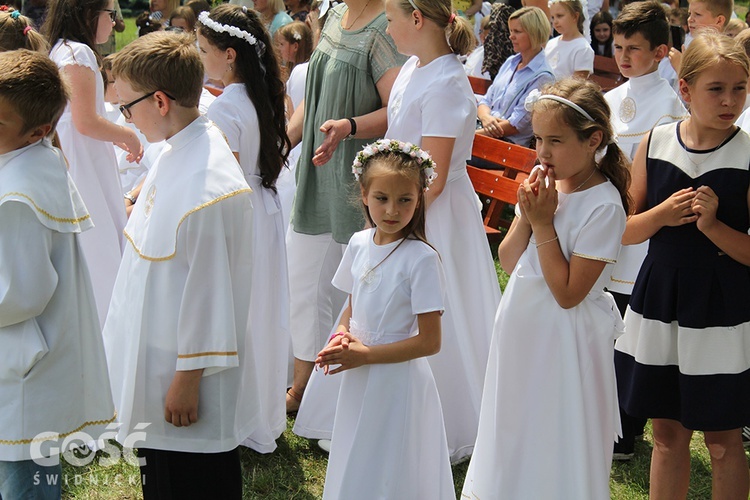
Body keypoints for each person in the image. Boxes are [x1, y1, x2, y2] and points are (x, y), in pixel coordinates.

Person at [103, 31, 258, 499]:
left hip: (183, 378)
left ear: (162, 101)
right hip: (155, 355)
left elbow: (211, 294)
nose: (125, 116)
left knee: (192, 481)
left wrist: (187, 381)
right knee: (161, 473)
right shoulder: (177, 146)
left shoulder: (208, 189)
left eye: (127, 107)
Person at [462, 78, 631, 499]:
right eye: (538, 138)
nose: (541, 152)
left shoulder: (604, 205)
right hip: (522, 325)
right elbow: (507, 258)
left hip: (564, 340)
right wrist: (526, 212)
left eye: (555, 140)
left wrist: (542, 222)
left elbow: (569, 294)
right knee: (515, 423)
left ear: (593, 140)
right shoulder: (549, 185)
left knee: (555, 432)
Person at [614, 31, 750, 499]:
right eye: (716, 88)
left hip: (722, 311)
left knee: (724, 441)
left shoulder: (748, 153)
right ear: (686, 90)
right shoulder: (654, 142)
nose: (730, 100)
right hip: (661, 302)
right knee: (668, 437)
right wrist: (661, 215)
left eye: (740, 88)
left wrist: (713, 228)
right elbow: (624, 230)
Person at [382, 0, 501, 462]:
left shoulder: (449, 81)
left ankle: (448, 420)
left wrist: (400, 224)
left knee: (442, 309)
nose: (387, 27)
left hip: (434, 212)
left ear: (417, 19)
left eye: (392, 18)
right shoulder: (414, 66)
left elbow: (433, 169)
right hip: (401, 201)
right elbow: (396, 125)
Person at [0, 49, 115, 500]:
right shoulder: (35, 157)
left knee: (22, 477)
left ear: (39, 130)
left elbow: (19, 292)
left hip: (24, 360)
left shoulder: (19, 198)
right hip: (28, 356)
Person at [284, 0, 405, 414]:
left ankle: (328, 391)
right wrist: (283, 141)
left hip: (354, 180)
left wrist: (349, 126)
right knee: (301, 284)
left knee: (348, 292)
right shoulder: (333, 15)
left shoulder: (385, 28)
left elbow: (397, 109)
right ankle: (305, 382)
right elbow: (315, 94)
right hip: (316, 173)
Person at [316, 140, 453, 500]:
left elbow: (430, 341)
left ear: (419, 198)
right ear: (364, 194)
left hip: (397, 378)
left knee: (391, 460)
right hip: (359, 371)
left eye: (405, 200)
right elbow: (352, 305)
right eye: (381, 198)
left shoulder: (422, 259)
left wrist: (366, 355)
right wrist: (342, 335)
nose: (392, 210)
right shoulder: (359, 243)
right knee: (358, 446)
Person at [197, 4, 291, 455]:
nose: (199, 58)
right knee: (263, 311)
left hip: (243, 214)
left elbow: (224, 180)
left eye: (203, 49)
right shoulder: (258, 97)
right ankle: (262, 413)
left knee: (242, 314)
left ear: (229, 55)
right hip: (265, 208)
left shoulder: (225, 109)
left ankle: (242, 414)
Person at [604, 0, 688, 461]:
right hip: (606, 229)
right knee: (604, 326)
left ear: (661, 51)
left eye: (633, 48)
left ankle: (627, 428)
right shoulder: (611, 101)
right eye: (617, 47)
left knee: (631, 332)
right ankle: (603, 415)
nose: (623, 56)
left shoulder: (671, 107)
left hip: (643, 232)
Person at [43, 0, 142, 326]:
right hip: (84, 169)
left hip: (81, 159)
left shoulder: (64, 50)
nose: (115, 23)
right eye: (111, 14)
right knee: (99, 252)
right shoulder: (77, 54)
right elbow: (86, 120)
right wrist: (127, 134)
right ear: (88, 13)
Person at [476, 6, 554, 147]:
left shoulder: (543, 76)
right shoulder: (510, 62)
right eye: (511, 31)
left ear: (534, 33)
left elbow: (515, 126)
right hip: (483, 131)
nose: (511, 36)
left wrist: (468, 136)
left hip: (506, 145)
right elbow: (486, 100)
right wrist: (486, 118)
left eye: (517, 32)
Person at [668, 0, 731, 74]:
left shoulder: (720, 57)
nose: (690, 19)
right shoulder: (694, 47)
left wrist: (680, 68)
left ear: (719, 21)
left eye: (697, 14)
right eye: (690, 14)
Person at [545, 0, 595, 79]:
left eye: (560, 16)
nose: (555, 21)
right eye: (553, 17)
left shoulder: (583, 48)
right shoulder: (551, 43)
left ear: (575, 16)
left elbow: (577, 84)